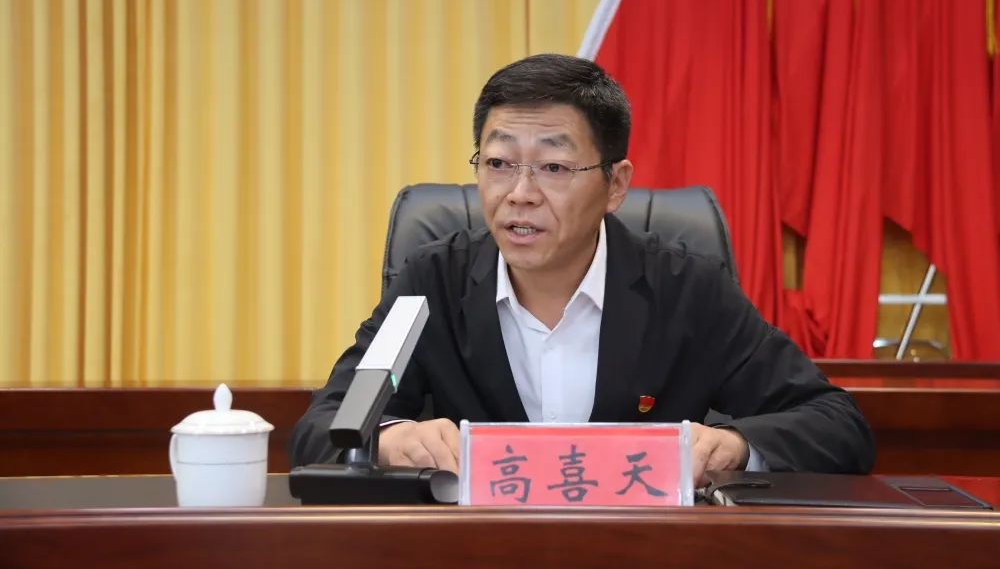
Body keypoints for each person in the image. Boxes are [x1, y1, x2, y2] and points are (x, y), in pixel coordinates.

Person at [289, 53, 875, 485]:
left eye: (553, 167)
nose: (519, 193)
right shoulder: (432, 283)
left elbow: (836, 424)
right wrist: (391, 439)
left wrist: (736, 445)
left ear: (615, 185)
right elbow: (324, 425)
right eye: (498, 162)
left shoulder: (686, 290)